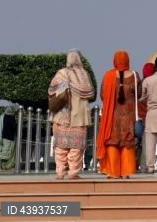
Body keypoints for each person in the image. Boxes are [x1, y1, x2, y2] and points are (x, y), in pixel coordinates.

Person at [48, 49, 95, 180]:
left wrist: (65, 86)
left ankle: (60, 172)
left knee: (60, 147)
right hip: (79, 117)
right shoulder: (84, 75)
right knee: (76, 147)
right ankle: (73, 172)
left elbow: (51, 90)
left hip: (62, 116)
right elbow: (91, 93)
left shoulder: (61, 73)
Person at [97, 50, 140, 179]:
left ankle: (113, 172)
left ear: (115, 61)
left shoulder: (108, 76)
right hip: (129, 115)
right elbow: (140, 94)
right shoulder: (134, 75)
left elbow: (103, 95)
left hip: (112, 116)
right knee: (127, 142)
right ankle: (126, 172)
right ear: (128, 60)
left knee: (112, 142)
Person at [135, 63, 155, 172]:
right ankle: (143, 167)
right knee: (147, 145)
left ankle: (132, 165)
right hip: (149, 118)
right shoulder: (153, 85)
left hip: (137, 118)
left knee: (135, 144)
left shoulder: (139, 84)